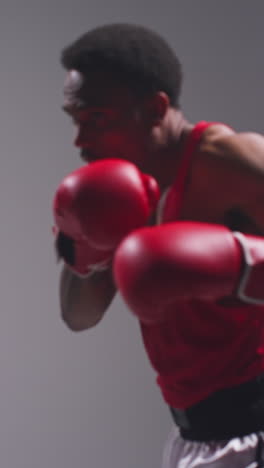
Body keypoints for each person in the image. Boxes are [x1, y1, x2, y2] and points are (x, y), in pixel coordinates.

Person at [54, 22, 264, 467]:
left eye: (96, 120)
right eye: (75, 121)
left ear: (155, 108)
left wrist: (240, 264)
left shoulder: (233, 164)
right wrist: (82, 254)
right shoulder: (115, 194)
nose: (80, 141)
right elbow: (79, 317)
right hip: (193, 437)